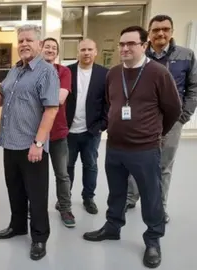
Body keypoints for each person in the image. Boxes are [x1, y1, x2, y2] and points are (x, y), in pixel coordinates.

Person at [83, 26, 182, 269]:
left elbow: (173, 109)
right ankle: (113, 227)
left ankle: (153, 240)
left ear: (144, 45)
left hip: (145, 149)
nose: (125, 49)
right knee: (116, 192)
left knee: (150, 195)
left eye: (131, 44)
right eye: (121, 44)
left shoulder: (158, 73)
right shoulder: (113, 73)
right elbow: (111, 102)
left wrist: (155, 133)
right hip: (115, 147)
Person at [0, 24, 59, 261]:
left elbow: (51, 110)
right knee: (16, 189)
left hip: (32, 146)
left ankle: (39, 237)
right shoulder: (14, 71)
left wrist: (38, 144)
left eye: (29, 40)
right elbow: (0, 99)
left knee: (37, 194)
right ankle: (18, 225)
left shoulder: (46, 72)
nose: (23, 44)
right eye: (20, 41)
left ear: (40, 45)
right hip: (10, 143)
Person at [126, 15, 197, 223]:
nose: (161, 33)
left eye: (165, 29)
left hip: (172, 121)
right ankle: (130, 198)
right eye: (156, 29)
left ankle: (160, 207)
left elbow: (194, 88)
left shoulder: (186, 55)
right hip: (143, 121)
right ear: (149, 32)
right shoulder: (140, 54)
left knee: (164, 166)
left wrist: (183, 116)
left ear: (171, 32)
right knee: (136, 160)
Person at [65, 39, 108, 214]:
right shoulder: (68, 72)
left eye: (90, 49)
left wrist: (103, 125)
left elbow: (109, 102)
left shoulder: (104, 74)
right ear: (78, 52)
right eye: (83, 49)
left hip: (92, 130)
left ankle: (88, 197)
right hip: (68, 131)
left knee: (90, 165)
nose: (86, 53)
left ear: (96, 52)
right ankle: (64, 198)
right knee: (67, 167)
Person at [40, 37, 75, 227]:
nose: (50, 50)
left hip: (57, 133)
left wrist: (35, 96)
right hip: (35, 134)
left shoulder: (63, 71)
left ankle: (65, 208)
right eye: (47, 47)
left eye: (54, 48)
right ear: (40, 49)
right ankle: (35, 208)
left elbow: (60, 99)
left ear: (57, 53)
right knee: (36, 176)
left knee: (62, 174)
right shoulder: (32, 71)